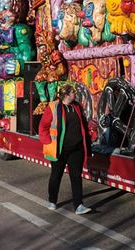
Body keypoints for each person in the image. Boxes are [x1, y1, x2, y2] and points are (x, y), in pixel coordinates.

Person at [39, 85, 92, 215]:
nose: (75, 94)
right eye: (73, 92)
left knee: (76, 177)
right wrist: (47, 141)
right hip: (59, 149)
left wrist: (89, 136)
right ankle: (52, 200)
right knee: (56, 175)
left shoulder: (77, 106)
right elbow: (43, 126)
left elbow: (83, 124)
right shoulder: (54, 106)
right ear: (67, 94)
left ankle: (79, 205)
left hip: (76, 149)